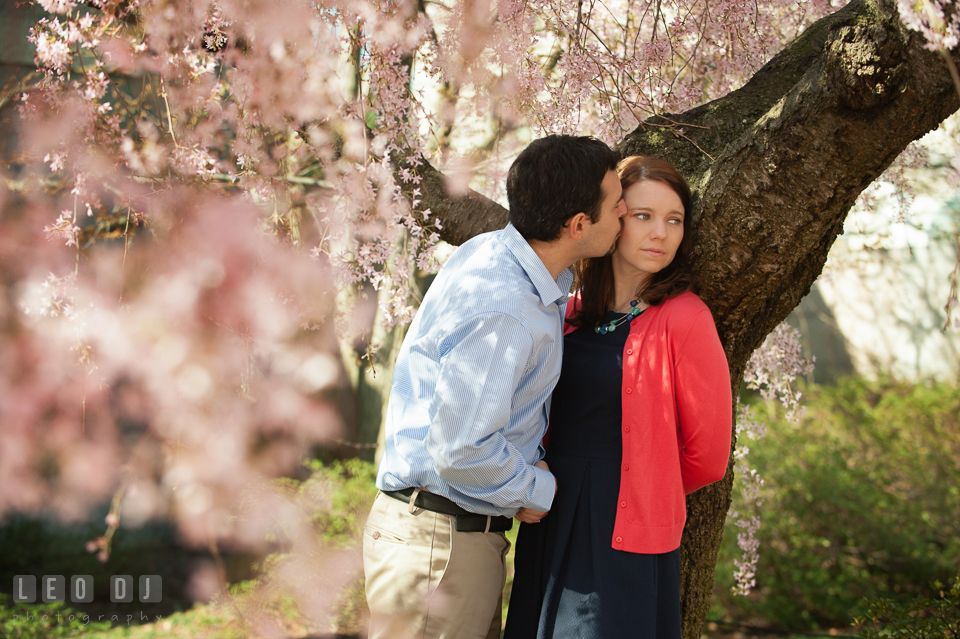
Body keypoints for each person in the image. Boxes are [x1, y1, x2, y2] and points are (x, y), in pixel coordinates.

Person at [363, 135, 628, 639]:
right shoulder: (505, 309)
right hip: (439, 548)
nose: (624, 215)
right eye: (616, 208)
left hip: (446, 541)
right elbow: (461, 450)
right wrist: (539, 488)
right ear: (577, 226)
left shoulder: (499, 255)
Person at [503, 156, 732, 639]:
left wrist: (644, 485)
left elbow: (708, 458)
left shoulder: (686, 319)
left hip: (627, 529)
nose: (661, 233)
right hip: (550, 515)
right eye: (644, 216)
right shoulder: (565, 310)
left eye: (675, 220)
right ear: (614, 219)